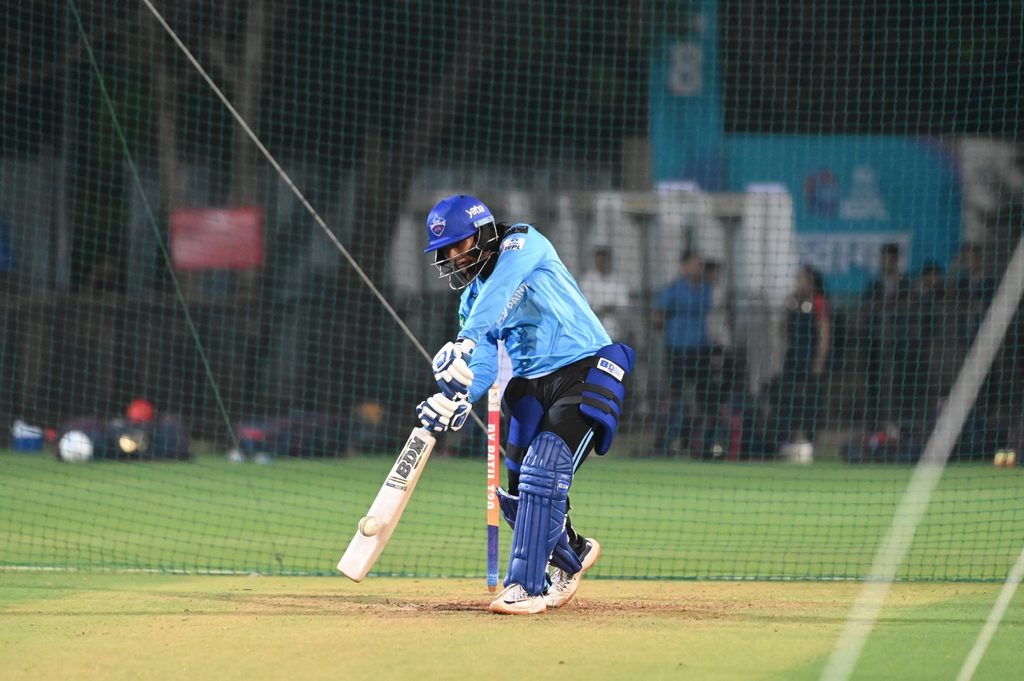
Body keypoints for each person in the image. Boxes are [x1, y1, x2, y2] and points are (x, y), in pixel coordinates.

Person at [415, 194, 635, 615]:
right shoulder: (472, 300)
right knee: (518, 496)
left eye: (458, 246)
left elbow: (499, 293)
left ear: (483, 234)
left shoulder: (523, 243)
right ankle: (574, 550)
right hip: (533, 388)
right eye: (445, 252)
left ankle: (526, 588)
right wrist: (457, 396)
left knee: (544, 467)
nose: (452, 259)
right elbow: (480, 364)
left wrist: (464, 339)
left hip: (584, 369)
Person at [652, 251, 712, 455]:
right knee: (675, 395)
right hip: (677, 349)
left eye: (700, 264)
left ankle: (696, 441)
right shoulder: (674, 289)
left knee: (700, 397)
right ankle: (669, 439)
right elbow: (658, 315)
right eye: (695, 264)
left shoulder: (706, 290)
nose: (698, 268)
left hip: (700, 349)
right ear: (684, 266)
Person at [775, 265, 831, 452]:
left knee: (811, 400)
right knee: (787, 399)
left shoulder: (818, 302)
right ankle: (786, 440)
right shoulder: (792, 302)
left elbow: (824, 333)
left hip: (810, 357)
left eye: (803, 279)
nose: (800, 283)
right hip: (793, 356)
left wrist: (819, 361)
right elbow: (782, 329)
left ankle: (810, 441)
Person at [577, 245, 630, 343]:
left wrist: (608, 308)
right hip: (591, 333)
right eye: (599, 260)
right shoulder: (587, 280)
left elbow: (623, 305)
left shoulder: (618, 280)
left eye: (604, 260)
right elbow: (584, 305)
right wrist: (603, 308)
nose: (602, 264)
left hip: (614, 332)